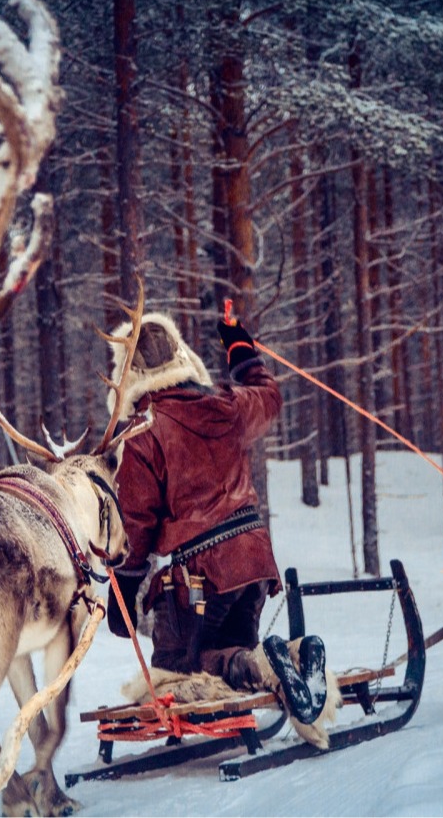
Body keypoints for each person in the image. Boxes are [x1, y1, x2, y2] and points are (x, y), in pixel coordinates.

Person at [105, 310, 329, 725]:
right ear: (180, 357)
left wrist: (123, 589)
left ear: (129, 372)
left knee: (176, 669)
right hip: (256, 562)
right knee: (229, 656)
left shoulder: (142, 431)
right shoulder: (226, 403)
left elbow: (135, 524)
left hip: (200, 576)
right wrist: (238, 344)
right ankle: (291, 657)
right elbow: (268, 395)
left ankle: (267, 664)